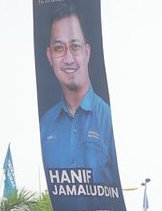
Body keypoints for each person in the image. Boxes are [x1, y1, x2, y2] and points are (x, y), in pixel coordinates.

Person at [39, 2, 120, 187]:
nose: (68, 59)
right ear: (50, 56)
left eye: (75, 47)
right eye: (59, 48)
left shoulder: (107, 119)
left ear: (87, 52)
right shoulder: (46, 126)